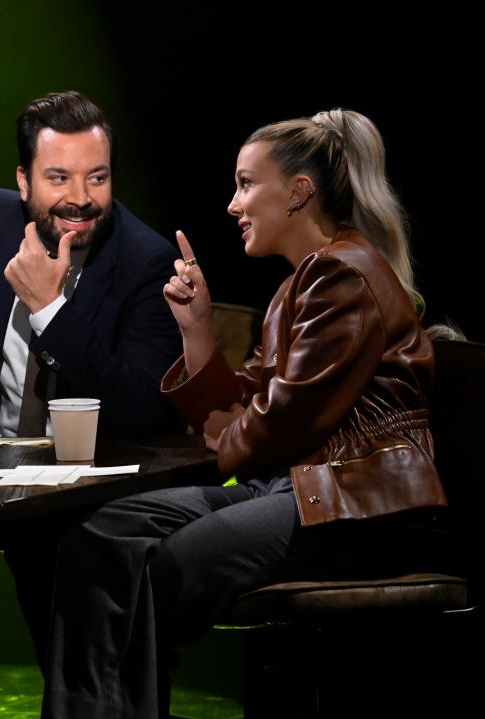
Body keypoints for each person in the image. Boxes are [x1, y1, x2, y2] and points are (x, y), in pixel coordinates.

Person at [42, 109, 451, 718]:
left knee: (171, 565)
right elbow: (244, 408)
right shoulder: (297, 287)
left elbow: (275, 421)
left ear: (298, 193)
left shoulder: (345, 274)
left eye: (246, 184)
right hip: (297, 489)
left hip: (358, 509)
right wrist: (200, 333)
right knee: (99, 536)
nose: (233, 205)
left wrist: (232, 429)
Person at [0, 90, 181, 439]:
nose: (80, 198)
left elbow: (144, 413)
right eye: (59, 178)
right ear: (24, 182)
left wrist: (50, 310)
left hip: (95, 476)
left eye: (97, 178)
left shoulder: (147, 261)